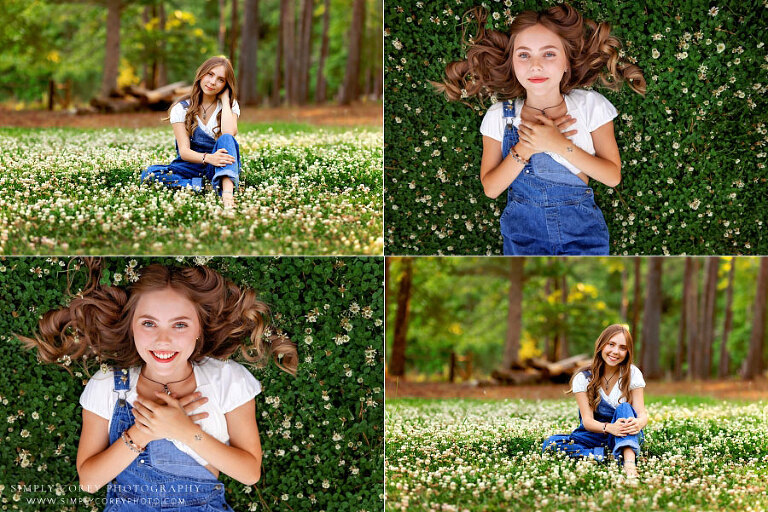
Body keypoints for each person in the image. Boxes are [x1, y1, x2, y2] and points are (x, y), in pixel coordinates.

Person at [19, 259, 298, 510]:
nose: (163, 340)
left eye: (180, 325)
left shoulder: (226, 379)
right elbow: (89, 482)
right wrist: (143, 432)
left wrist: (184, 430)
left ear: (199, 328)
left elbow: (249, 473)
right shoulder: (108, 384)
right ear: (131, 326)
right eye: (149, 323)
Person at [436, 5, 646, 255]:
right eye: (524, 55)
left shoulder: (589, 106)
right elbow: (491, 189)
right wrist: (527, 145)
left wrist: (559, 145)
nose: (535, 66)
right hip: (523, 237)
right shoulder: (500, 117)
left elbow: (612, 177)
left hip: (581, 235)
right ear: (512, 63)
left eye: (549, 54)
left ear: (567, 62)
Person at [541, 324, 647, 478]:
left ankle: (629, 464)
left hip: (625, 433)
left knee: (624, 408)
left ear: (628, 352)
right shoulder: (584, 378)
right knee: (550, 444)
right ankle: (602, 454)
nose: (615, 351)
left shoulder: (632, 373)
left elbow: (642, 413)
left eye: (622, 347)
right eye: (611, 344)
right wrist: (610, 428)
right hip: (594, 434)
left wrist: (639, 423)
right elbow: (587, 422)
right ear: (601, 345)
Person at [141, 56, 242, 208]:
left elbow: (229, 133)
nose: (213, 82)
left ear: (225, 85)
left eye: (221, 80)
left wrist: (226, 101)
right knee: (149, 175)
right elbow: (184, 152)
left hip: (219, 164)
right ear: (201, 74)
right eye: (210, 74)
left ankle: (227, 194)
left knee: (226, 138)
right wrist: (209, 158)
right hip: (190, 164)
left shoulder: (229, 105)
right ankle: (202, 185)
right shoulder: (181, 108)